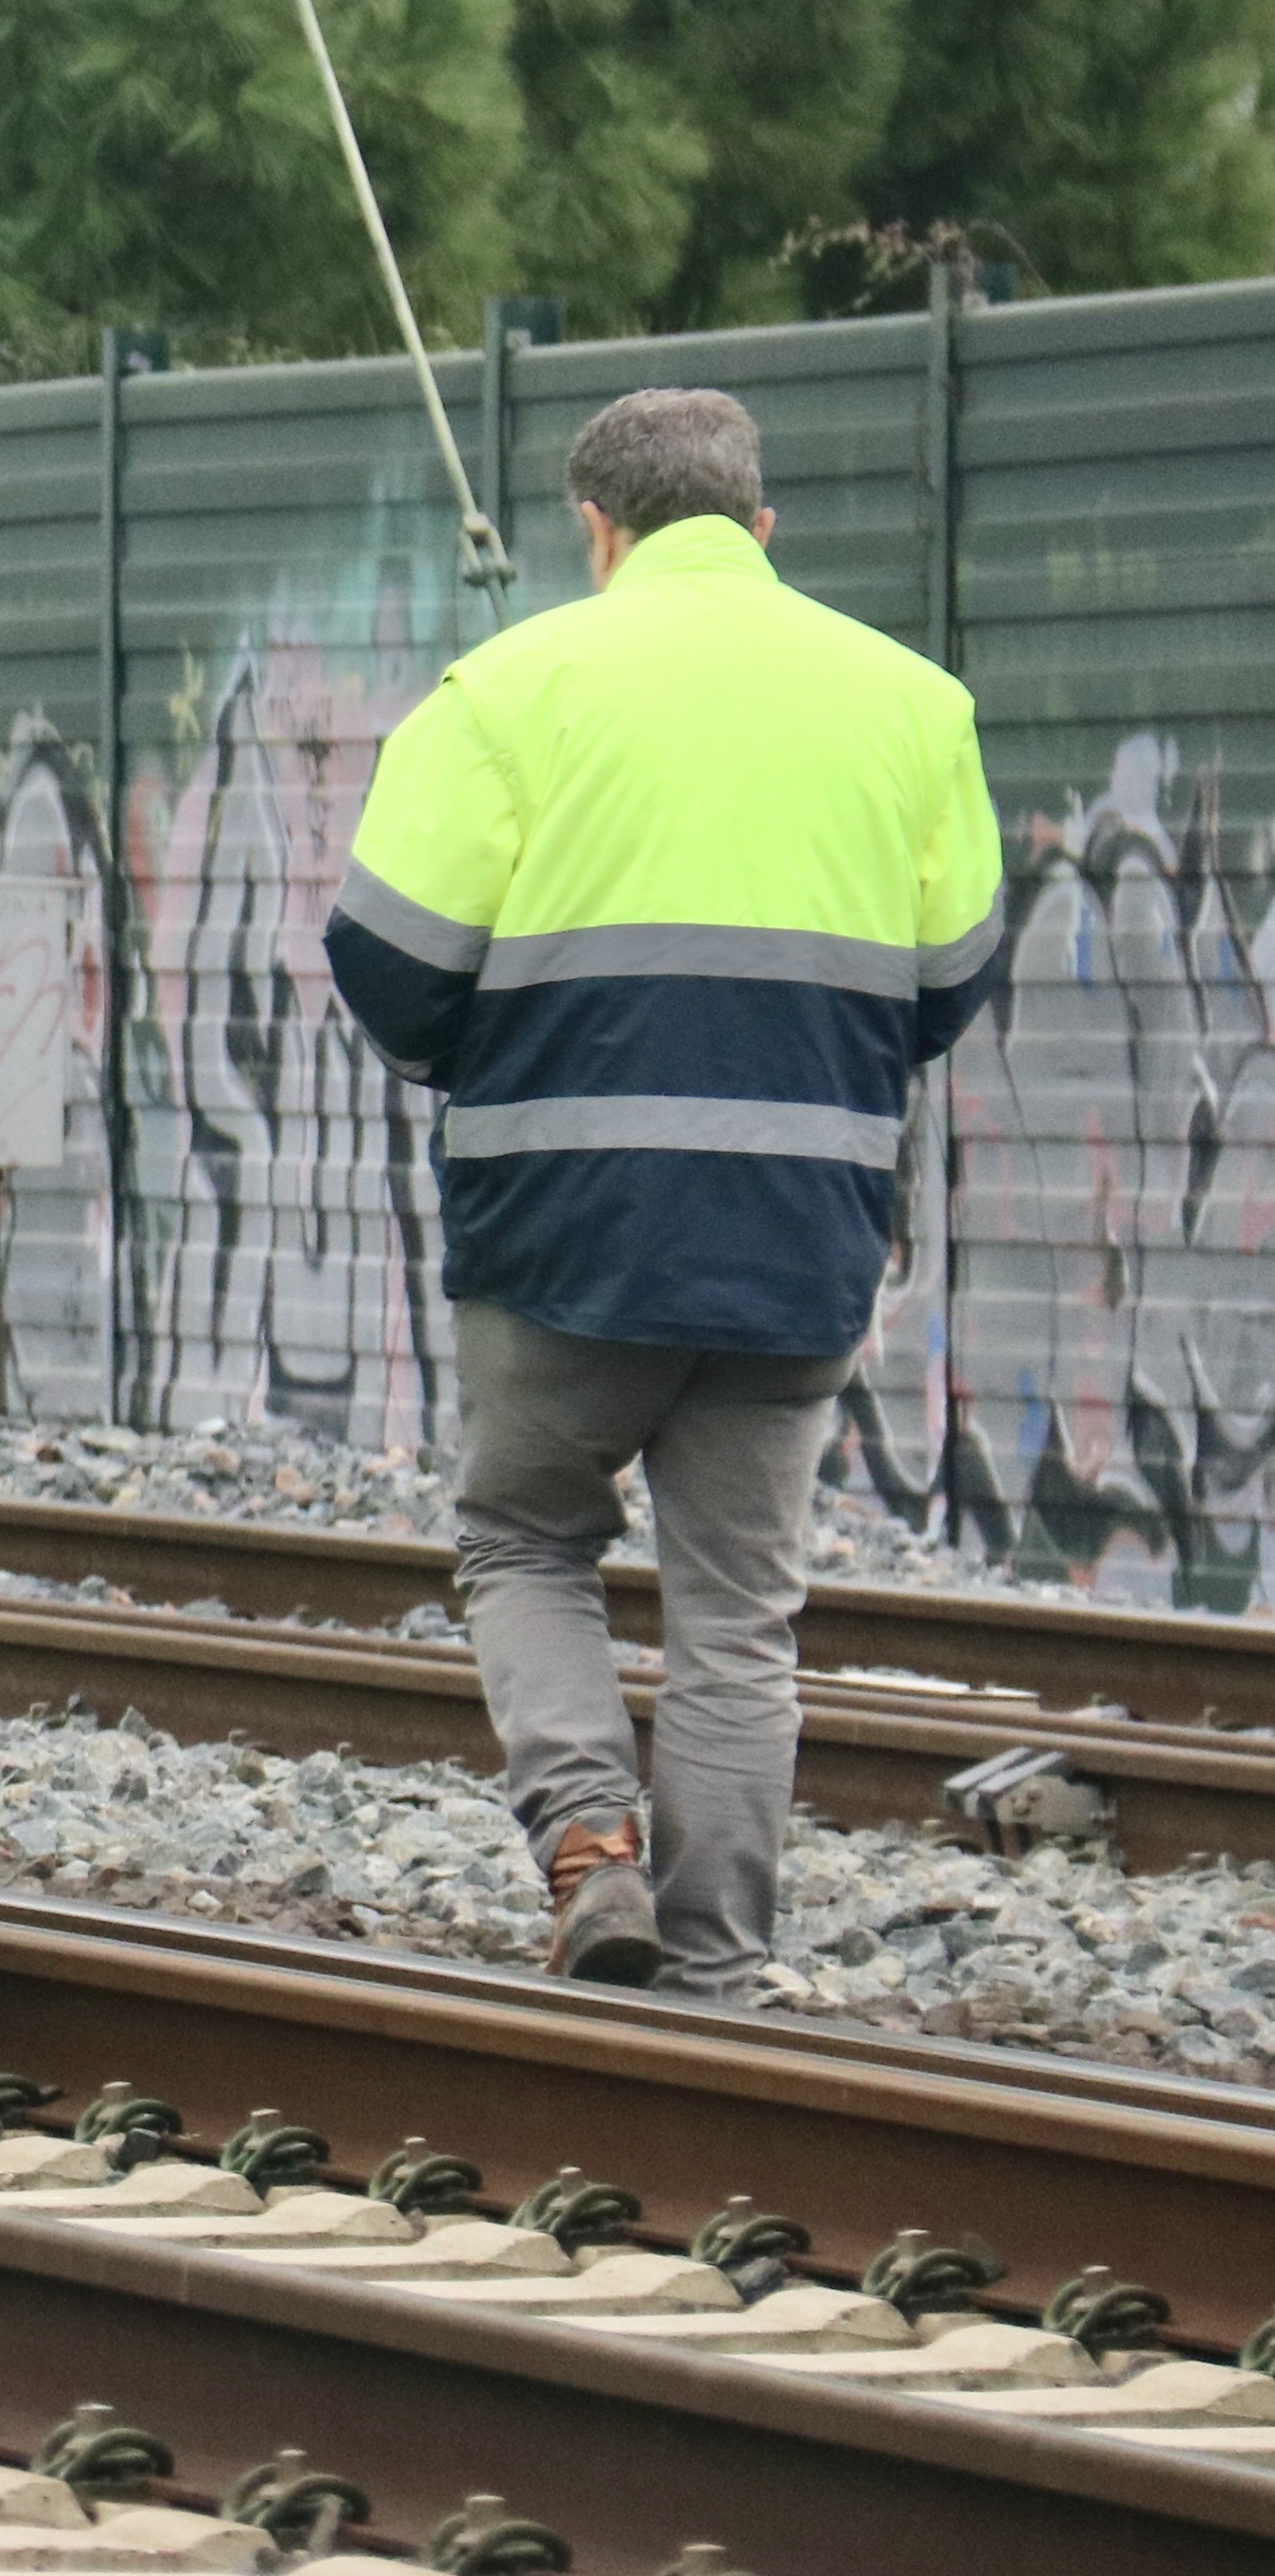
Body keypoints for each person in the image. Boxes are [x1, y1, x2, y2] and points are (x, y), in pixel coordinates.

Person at [324, 387, 999, 2002]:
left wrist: (476, 1062)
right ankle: (715, 1967)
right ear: (761, 528)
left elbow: (389, 957)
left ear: (597, 532)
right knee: (740, 1619)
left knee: (522, 1539)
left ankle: (587, 1846)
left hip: (562, 1231)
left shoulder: (509, 689)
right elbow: (950, 977)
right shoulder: (915, 706)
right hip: (800, 1238)